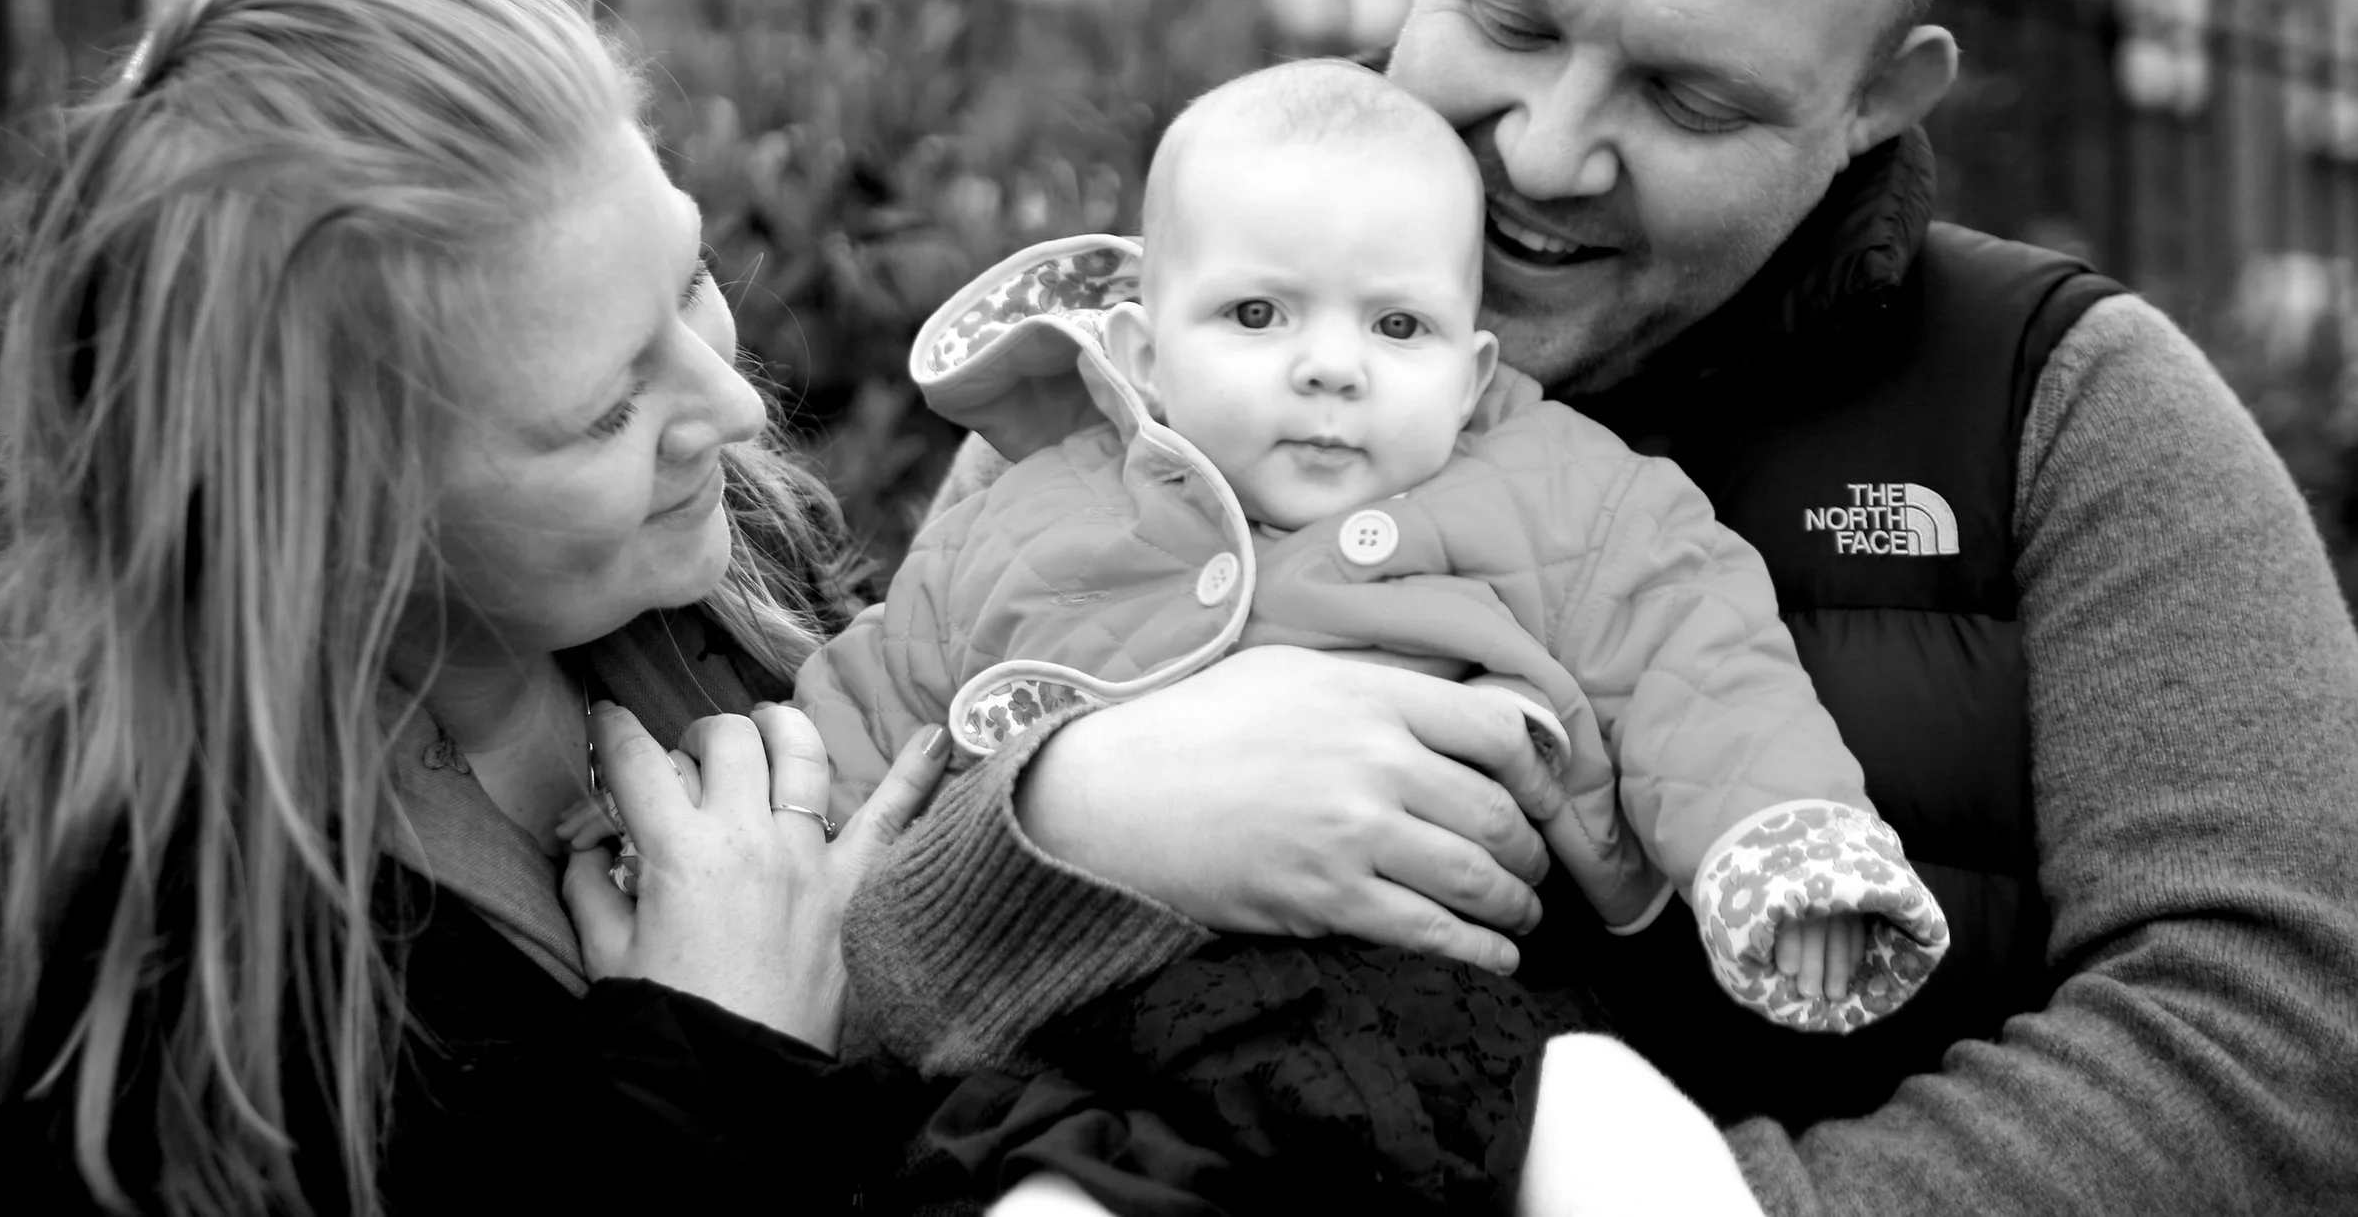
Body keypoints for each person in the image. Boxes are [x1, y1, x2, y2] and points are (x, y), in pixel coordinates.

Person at [866, 0, 2358, 1214]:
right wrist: (1070, 815)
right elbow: (837, 952)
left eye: (1691, 99)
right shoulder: (1126, 383)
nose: (1550, 148)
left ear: (1880, 96)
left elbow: (2279, 1038)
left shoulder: (2067, 408)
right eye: (1508, 18)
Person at [0, 0, 1150, 1216]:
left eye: (692, 275)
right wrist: (710, 1056)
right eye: (603, 412)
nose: (731, 408)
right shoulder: (157, 1022)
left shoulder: (731, 579)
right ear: (339, 519)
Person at [800, 56, 1947, 1028]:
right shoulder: (1025, 513)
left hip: (1426, 1009)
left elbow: (1697, 648)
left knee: (1614, 1134)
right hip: (1081, 1014)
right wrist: (771, 850)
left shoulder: (1563, 496)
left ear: (1471, 374)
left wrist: (1782, 838)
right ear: (1143, 354)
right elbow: (877, 695)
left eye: (1398, 324)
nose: (1331, 364)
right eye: (1258, 314)